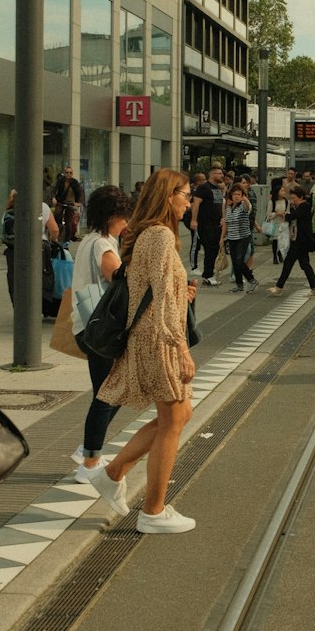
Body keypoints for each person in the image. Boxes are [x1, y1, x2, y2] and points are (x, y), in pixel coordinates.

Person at [87, 169, 198, 534]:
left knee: (179, 415)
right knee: (173, 420)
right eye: (185, 194)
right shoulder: (162, 236)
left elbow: (153, 289)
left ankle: (113, 473)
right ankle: (152, 511)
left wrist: (183, 293)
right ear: (170, 196)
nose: (189, 201)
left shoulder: (146, 234)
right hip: (159, 340)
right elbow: (163, 298)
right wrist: (181, 348)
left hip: (150, 337)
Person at [70, 185, 132, 482]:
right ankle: (90, 461)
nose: (127, 223)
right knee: (108, 393)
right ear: (111, 216)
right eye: (123, 217)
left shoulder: (90, 239)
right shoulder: (103, 245)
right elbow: (121, 280)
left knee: (112, 390)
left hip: (88, 326)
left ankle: (88, 448)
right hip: (99, 329)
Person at [1, 190, 59, 306]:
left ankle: (18, 307)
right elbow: (54, 230)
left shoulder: (9, 211)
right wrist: (54, 239)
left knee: (15, 279)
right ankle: (38, 305)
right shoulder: (42, 207)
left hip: (14, 249)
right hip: (38, 248)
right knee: (39, 277)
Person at [269, 187, 315, 297]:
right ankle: (314, 288)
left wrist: (284, 214)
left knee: (289, 263)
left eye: (294, 198)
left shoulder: (304, 206)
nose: (292, 200)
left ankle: (279, 287)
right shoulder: (299, 206)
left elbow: (292, 216)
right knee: (304, 265)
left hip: (300, 241)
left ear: (300, 197)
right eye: (291, 198)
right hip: (299, 241)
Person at [190, 164, 226, 286]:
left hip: (217, 224)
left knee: (214, 249)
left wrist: (223, 218)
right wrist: (194, 220)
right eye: (219, 173)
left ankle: (209, 274)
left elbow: (221, 204)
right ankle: (207, 275)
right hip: (205, 224)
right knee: (209, 249)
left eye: (222, 173)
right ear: (212, 174)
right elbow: (196, 204)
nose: (222, 176)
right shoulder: (203, 188)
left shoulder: (218, 189)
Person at [221, 183, 259, 294]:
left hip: (243, 236)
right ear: (231, 196)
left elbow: (248, 207)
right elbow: (226, 224)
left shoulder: (243, 206)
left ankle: (252, 280)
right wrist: (222, 238)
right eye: (234, 194)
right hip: (232, 237)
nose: (236, 196)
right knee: (235, 261)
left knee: (239, 260)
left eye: (239, 194)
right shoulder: (228, 209)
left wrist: (245, 199)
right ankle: (239, 285)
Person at [51, 166, 84, 242]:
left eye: (70, 173)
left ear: (72, 174)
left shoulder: (75, 182)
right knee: (57, 215)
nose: (68, 174)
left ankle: (67, 240)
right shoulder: (60, 181)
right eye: (67, 172)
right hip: (60, 202)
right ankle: (56, 236)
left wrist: (78, 203)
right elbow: (54, 190)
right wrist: (53, 198)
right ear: (64, 173)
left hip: (70, 204)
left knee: (69, 223)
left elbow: (80, 193)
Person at [268, 183, 289, 263]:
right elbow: (268, 214)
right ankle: (274, 256)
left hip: (283, 223)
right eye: (282, 191)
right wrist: (276, 214)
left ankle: (280, 254)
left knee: (282, 240)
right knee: (275, 240)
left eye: (284, 191)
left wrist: (285, 214)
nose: (284, 192)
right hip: (274, 223)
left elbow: (288, 211)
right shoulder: (272, 202)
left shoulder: (286, 202)